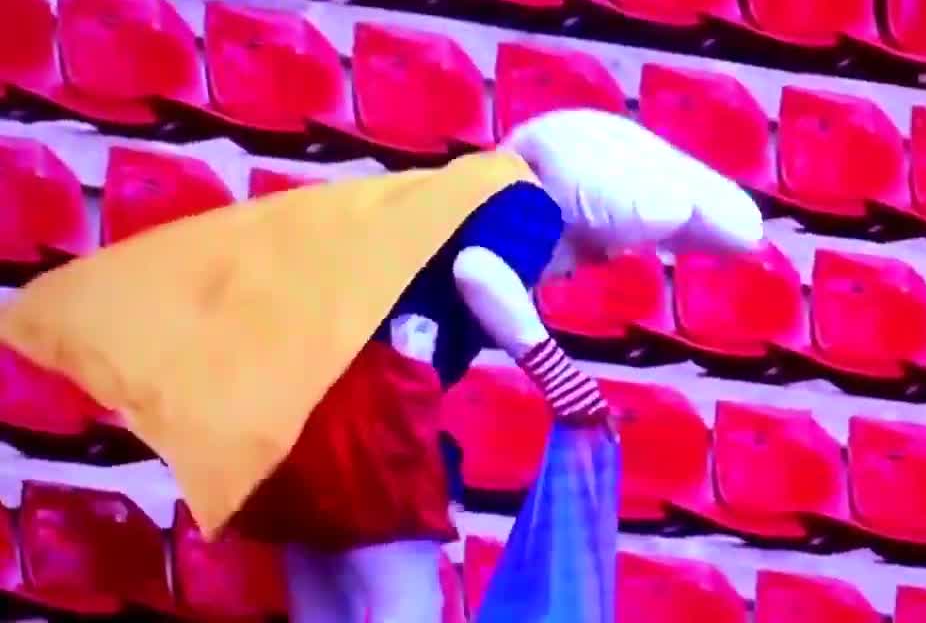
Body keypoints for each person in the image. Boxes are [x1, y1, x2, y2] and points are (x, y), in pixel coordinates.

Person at [0, 109, 765, 622]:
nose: (575, 273)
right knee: (404, 609)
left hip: (301, 407)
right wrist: (562, 380)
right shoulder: (525, 204)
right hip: (371, 416)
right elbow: (484, 276)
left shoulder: (446, 195)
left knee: (324, 604)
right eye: (592, 257)